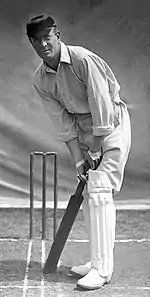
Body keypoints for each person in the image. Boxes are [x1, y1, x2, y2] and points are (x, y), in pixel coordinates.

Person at [26, 14, 131, 290]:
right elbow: (64, 124)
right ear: (32, 44)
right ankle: (96, 262)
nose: (43, 45)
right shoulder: (41, 79)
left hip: (111, 124)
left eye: (46, 37)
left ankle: (102, 270)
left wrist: (95, 147)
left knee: (99, 191)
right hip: (85, 132)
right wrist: (78, 160)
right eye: (36, 41)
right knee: (90, 193)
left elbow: (101, 105)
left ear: (57, 34)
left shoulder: (82, 60)